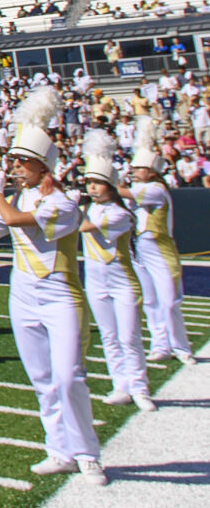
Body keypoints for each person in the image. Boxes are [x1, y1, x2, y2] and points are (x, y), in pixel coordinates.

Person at [0, 87, 106, 486]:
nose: (16, 167)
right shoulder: (16, 197)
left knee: (68, 376)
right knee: (42, 377)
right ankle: (58, 449)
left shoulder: (65, 200)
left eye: (23, 162)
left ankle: (87, 453)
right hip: (22, 294)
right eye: (14, 161)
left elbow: (17, 221)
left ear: (43, 168)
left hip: (60, 294)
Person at [79, 130, 155, 412]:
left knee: (129, 337)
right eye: (89, 183)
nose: (92, 188)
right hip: (96, 282)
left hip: (122, 282)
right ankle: (120, 384)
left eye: (98, 183)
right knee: (109, 336)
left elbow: (84, 227)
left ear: (111, 186)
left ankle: (140, 387)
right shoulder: (88, 209)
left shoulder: (121, 213)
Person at [122, 118, 195, 365]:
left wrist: (108, 180)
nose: (134, 171)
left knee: (169, 301)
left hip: (160, 250)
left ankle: (181, 346)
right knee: (151, 300)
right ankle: (160, 344)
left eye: (138, 168)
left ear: (151, 171)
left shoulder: (155, 189)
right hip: (141, 249)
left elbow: (126, 193)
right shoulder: (142, 187)